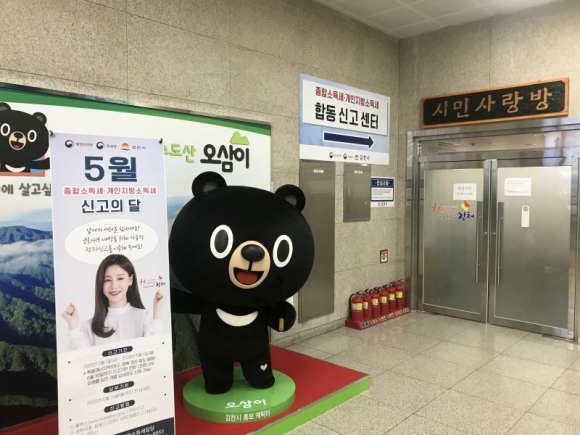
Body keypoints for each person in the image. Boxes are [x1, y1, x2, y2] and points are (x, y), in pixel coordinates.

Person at [61, 254, 165, 350]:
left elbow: (154, 350)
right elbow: (81, 359)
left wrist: (157, 310)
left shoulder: (145, 317)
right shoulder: (88, 326)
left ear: (130, 280)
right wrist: (73, 326)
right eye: (107, 280)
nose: (114, 286)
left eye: (120, 278)